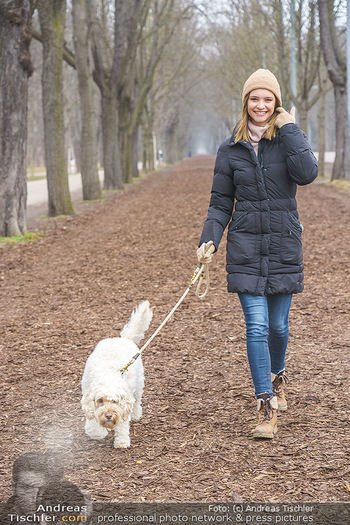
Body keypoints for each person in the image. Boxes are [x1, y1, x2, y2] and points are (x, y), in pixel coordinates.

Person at [197, 69, 318, 439]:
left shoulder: (287, 141)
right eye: (254, 98)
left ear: (276, 104)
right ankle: (265, 404)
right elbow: (220, 202)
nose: (260, 105)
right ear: (245, 103)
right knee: (257, 327)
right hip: (246, 246)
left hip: (282, 243)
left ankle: (278, 376)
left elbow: (308, 173)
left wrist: (291, 127)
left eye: (268, 99)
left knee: (279, 327)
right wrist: (209, 239)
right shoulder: (229, 150)